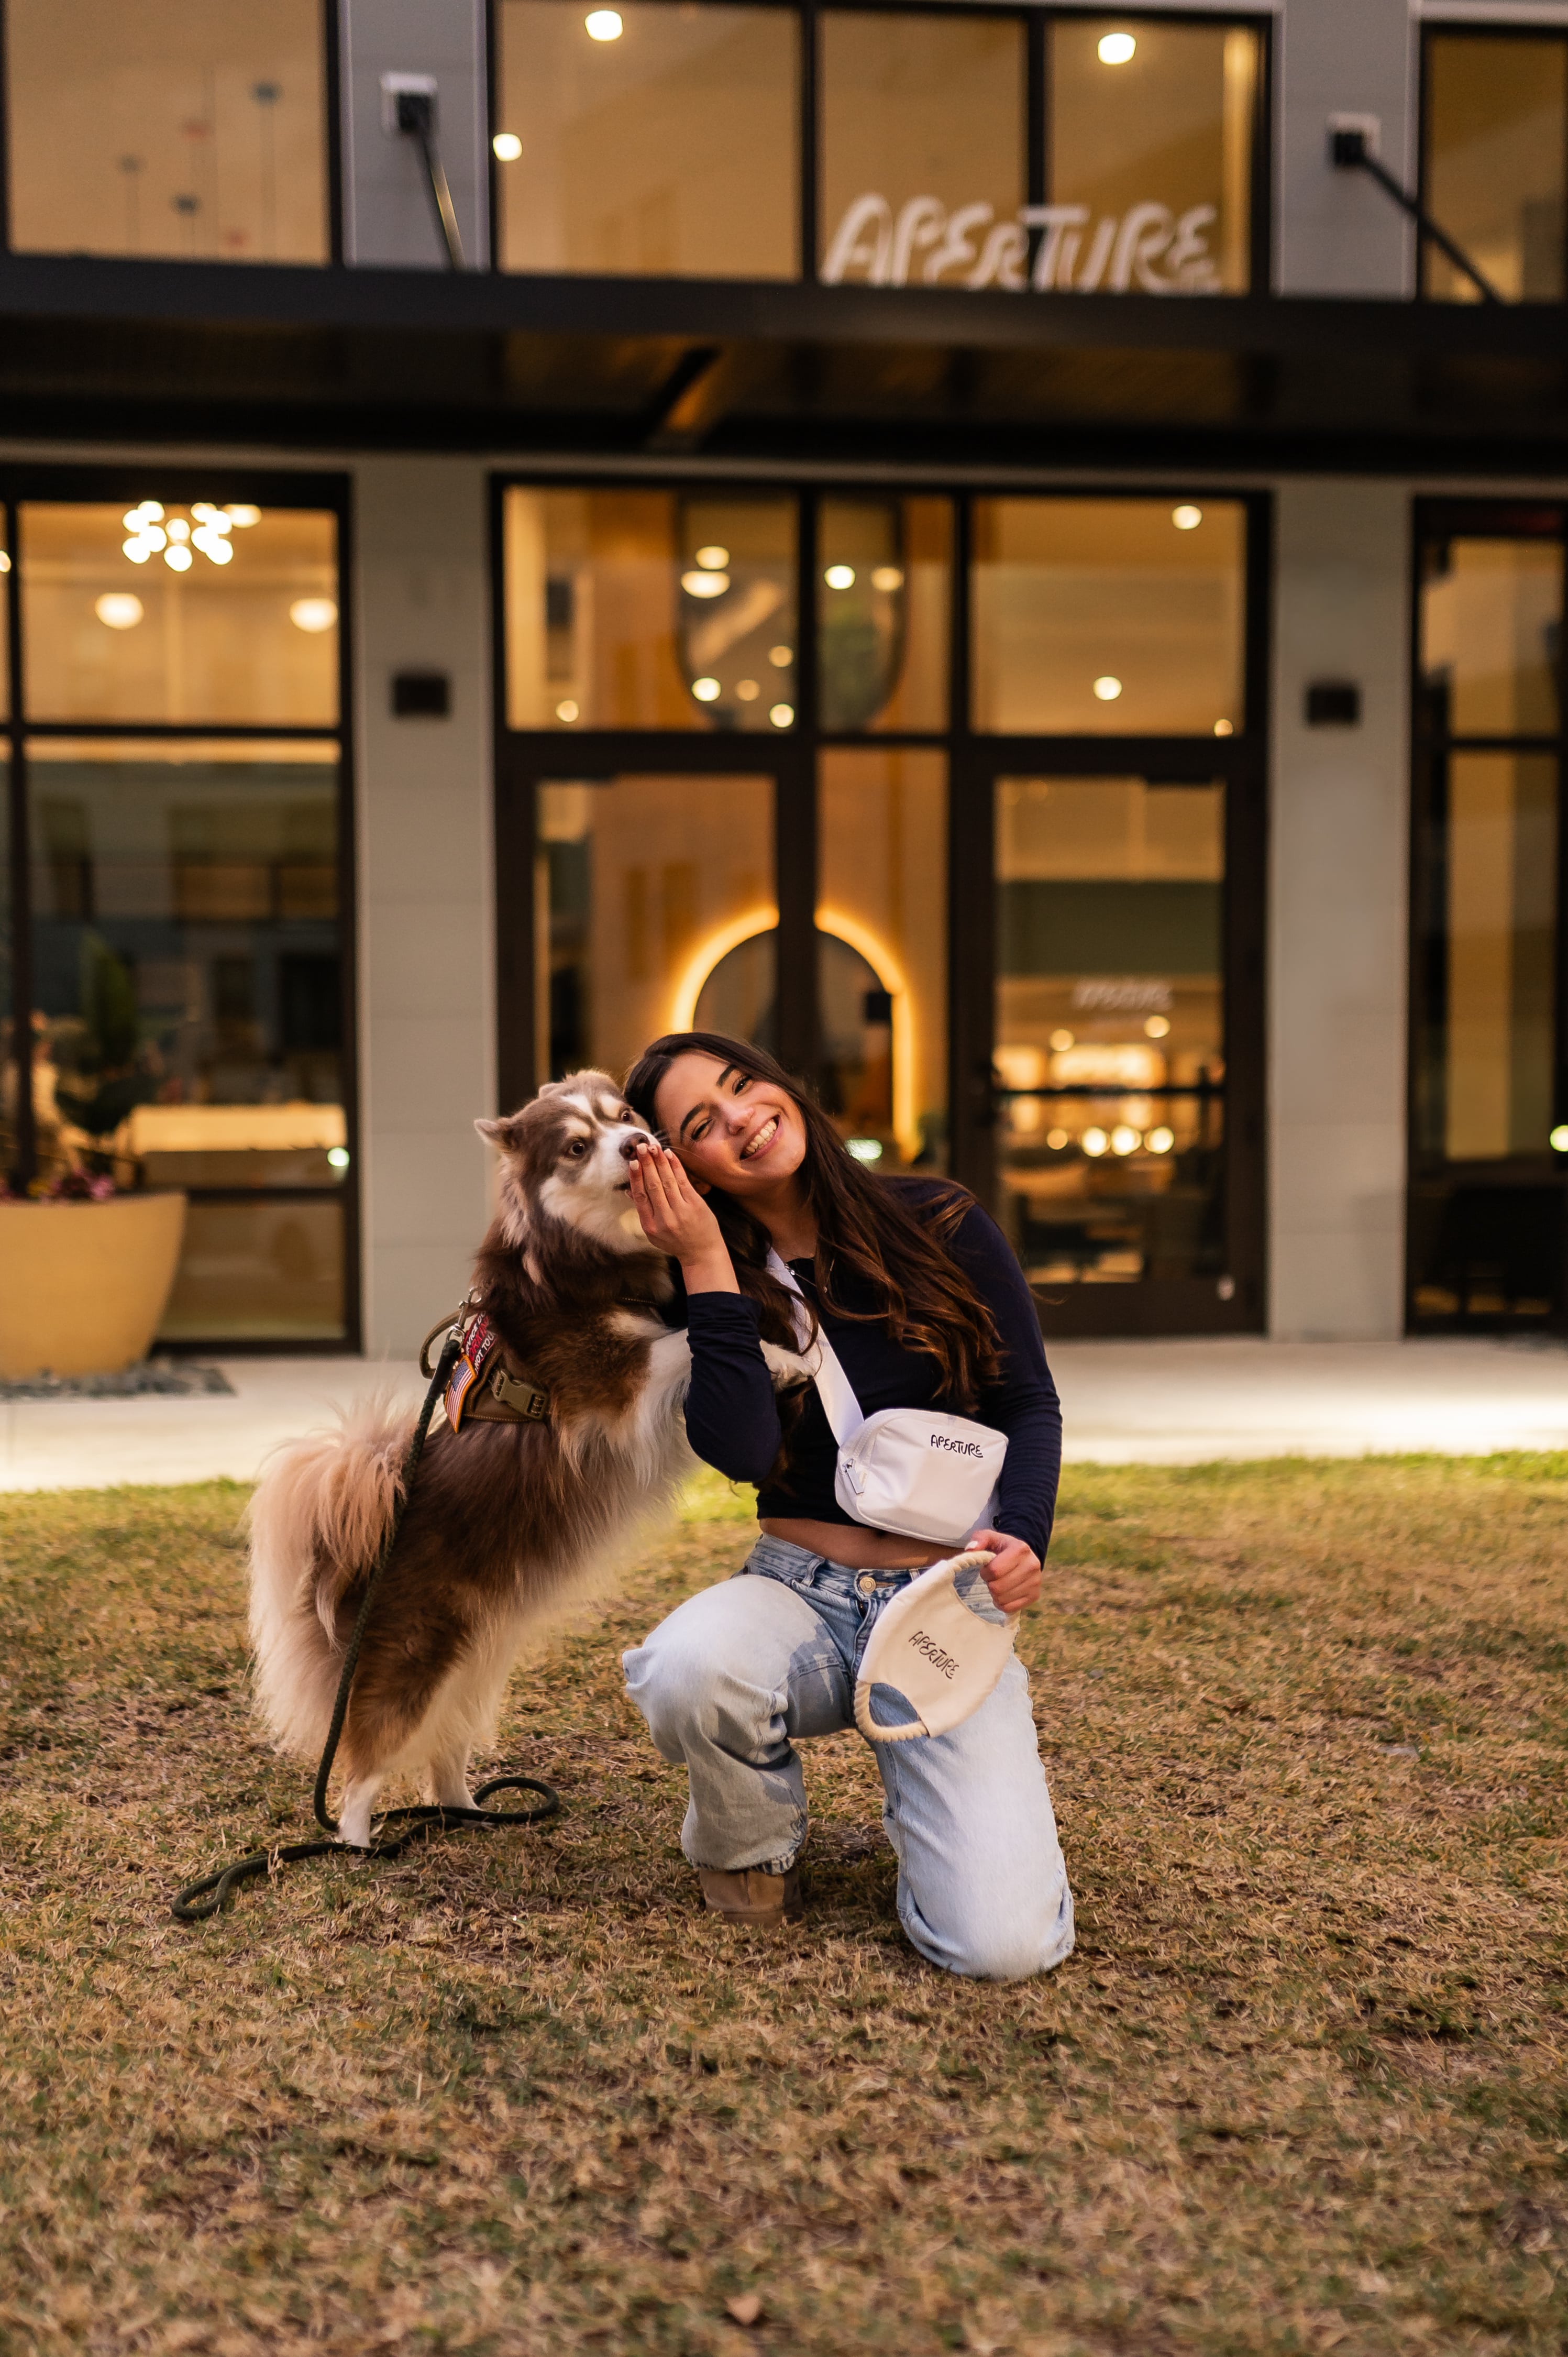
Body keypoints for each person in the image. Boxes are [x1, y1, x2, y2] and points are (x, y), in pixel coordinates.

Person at [619, 1031, 1074, 1982]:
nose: (741, 1117)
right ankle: (749, 1853)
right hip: (799, 1593)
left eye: (743, 1085)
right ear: (681, 1166)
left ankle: (937, 1817)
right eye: (702, 1123)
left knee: (1002, 1949)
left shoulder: (938, 1219)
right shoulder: (701, 1277)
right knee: (685, 1669)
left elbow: (1026, 1399)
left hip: (943, 1601)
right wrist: (706, 1263)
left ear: (782, 1083)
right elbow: (740, 1452)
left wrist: (1023, 1533)